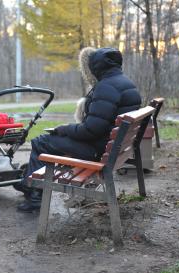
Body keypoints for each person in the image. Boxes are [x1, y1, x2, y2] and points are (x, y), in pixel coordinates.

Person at [16, 47, 142, 212]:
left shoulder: (106, 87)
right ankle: (28, 184)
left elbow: (90, 130)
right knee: (48, 141)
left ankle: (32, 193)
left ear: (96, 67)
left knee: (40, 143)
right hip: (111, 148)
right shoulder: (126, 83)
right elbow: (98, 125)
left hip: (96, 151)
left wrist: (64, 129)